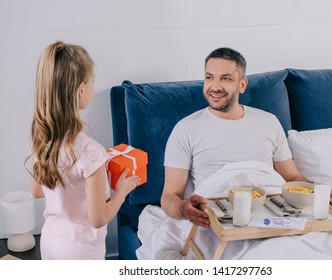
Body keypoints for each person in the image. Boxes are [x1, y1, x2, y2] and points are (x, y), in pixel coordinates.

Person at [161, 47, 315, 228]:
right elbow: (169, 196)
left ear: (242, 84)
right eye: (209, 77)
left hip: (273, 213)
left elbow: (291, 176)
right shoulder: (186, 128)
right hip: (219, 218)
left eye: (225, 78)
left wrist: (316, 191)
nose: (215, 87)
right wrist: (183, 208)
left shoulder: (268, 122)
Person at [27, 41, 140, 260]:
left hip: (50, 241)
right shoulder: (91, 152)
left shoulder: (43, 138)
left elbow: (37, 191)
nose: (93, 88)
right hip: (81, 251)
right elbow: (98, 218)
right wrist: (122, 192)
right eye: (92, 82)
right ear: (81, 89)